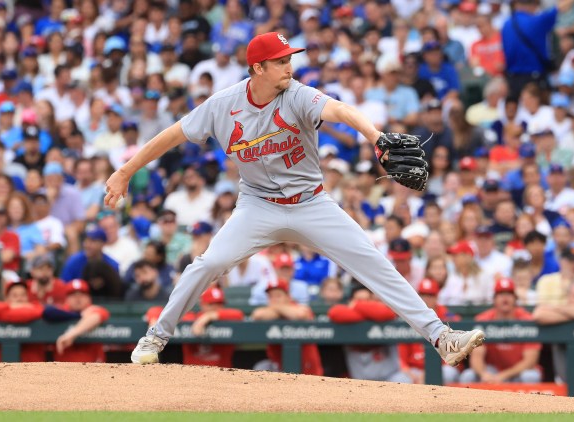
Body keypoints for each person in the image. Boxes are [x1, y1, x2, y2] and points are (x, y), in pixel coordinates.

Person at [104, 32, 484, 365]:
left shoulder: (297, 94)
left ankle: (441, 337)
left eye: (290, 59)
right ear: (257, 68)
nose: (289, 67)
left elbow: (340, 109)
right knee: (207, 263)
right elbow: (171, 135)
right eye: (280, 61)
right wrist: (124, 172)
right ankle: (155, 337)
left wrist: (375, 137)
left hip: (310, 202)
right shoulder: (223, 104)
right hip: (257, 204)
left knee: (374, 264)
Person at [460, 278, 543, 384]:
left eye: (509, 294)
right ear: (494, 299)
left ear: (515, 298)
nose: (505, 298)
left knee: (530, 376)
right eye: (501, 294)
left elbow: (530, 361)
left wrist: (504, 375)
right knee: (468, 375)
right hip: (493, 371)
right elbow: (476, 356)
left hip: (518, 372)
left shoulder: (527, 320)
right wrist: (484, 374)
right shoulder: (483, 320)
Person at [328, 283, 411, 383]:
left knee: (404, 379)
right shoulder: (346, 317)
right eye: (359, 300)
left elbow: (386, 312)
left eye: (366, 300)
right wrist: (366, 313)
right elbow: (334, 312)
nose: (363, 303)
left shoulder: (383, 312)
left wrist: (357, 305)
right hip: (360, 383)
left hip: (390, 378)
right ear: (350, 301)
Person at [145, 286, 244, 367]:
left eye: (220, 303)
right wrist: (154, 319)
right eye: (211, 304)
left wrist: (209, 316)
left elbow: (239, 314)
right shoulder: (191, 317)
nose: (217, 308)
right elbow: (154, 310)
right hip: (192, 375)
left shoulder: (228, 318)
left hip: (223, 374)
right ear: (203, 305)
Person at [251, 278, 323, 375]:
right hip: (279, 366)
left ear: (288, 297)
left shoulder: (298, 307)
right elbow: (257, 315)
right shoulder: (270, 312)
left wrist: (276, 307)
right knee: (260, 368)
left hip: (306, 367)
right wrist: (279, 309)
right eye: (271, 296)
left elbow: (301, 315)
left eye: (278, 296)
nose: (274, 299)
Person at [42, 279, 110, 362]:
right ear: (66, 298)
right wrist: (79, 315)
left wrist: (70, 335)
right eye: (73, 295)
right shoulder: (62, 312)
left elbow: (96, 316)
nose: (78, 299)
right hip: (63, 369)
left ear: (89, 297)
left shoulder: (93, 310)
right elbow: (48, 312)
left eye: (82, 294)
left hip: (94, 368)